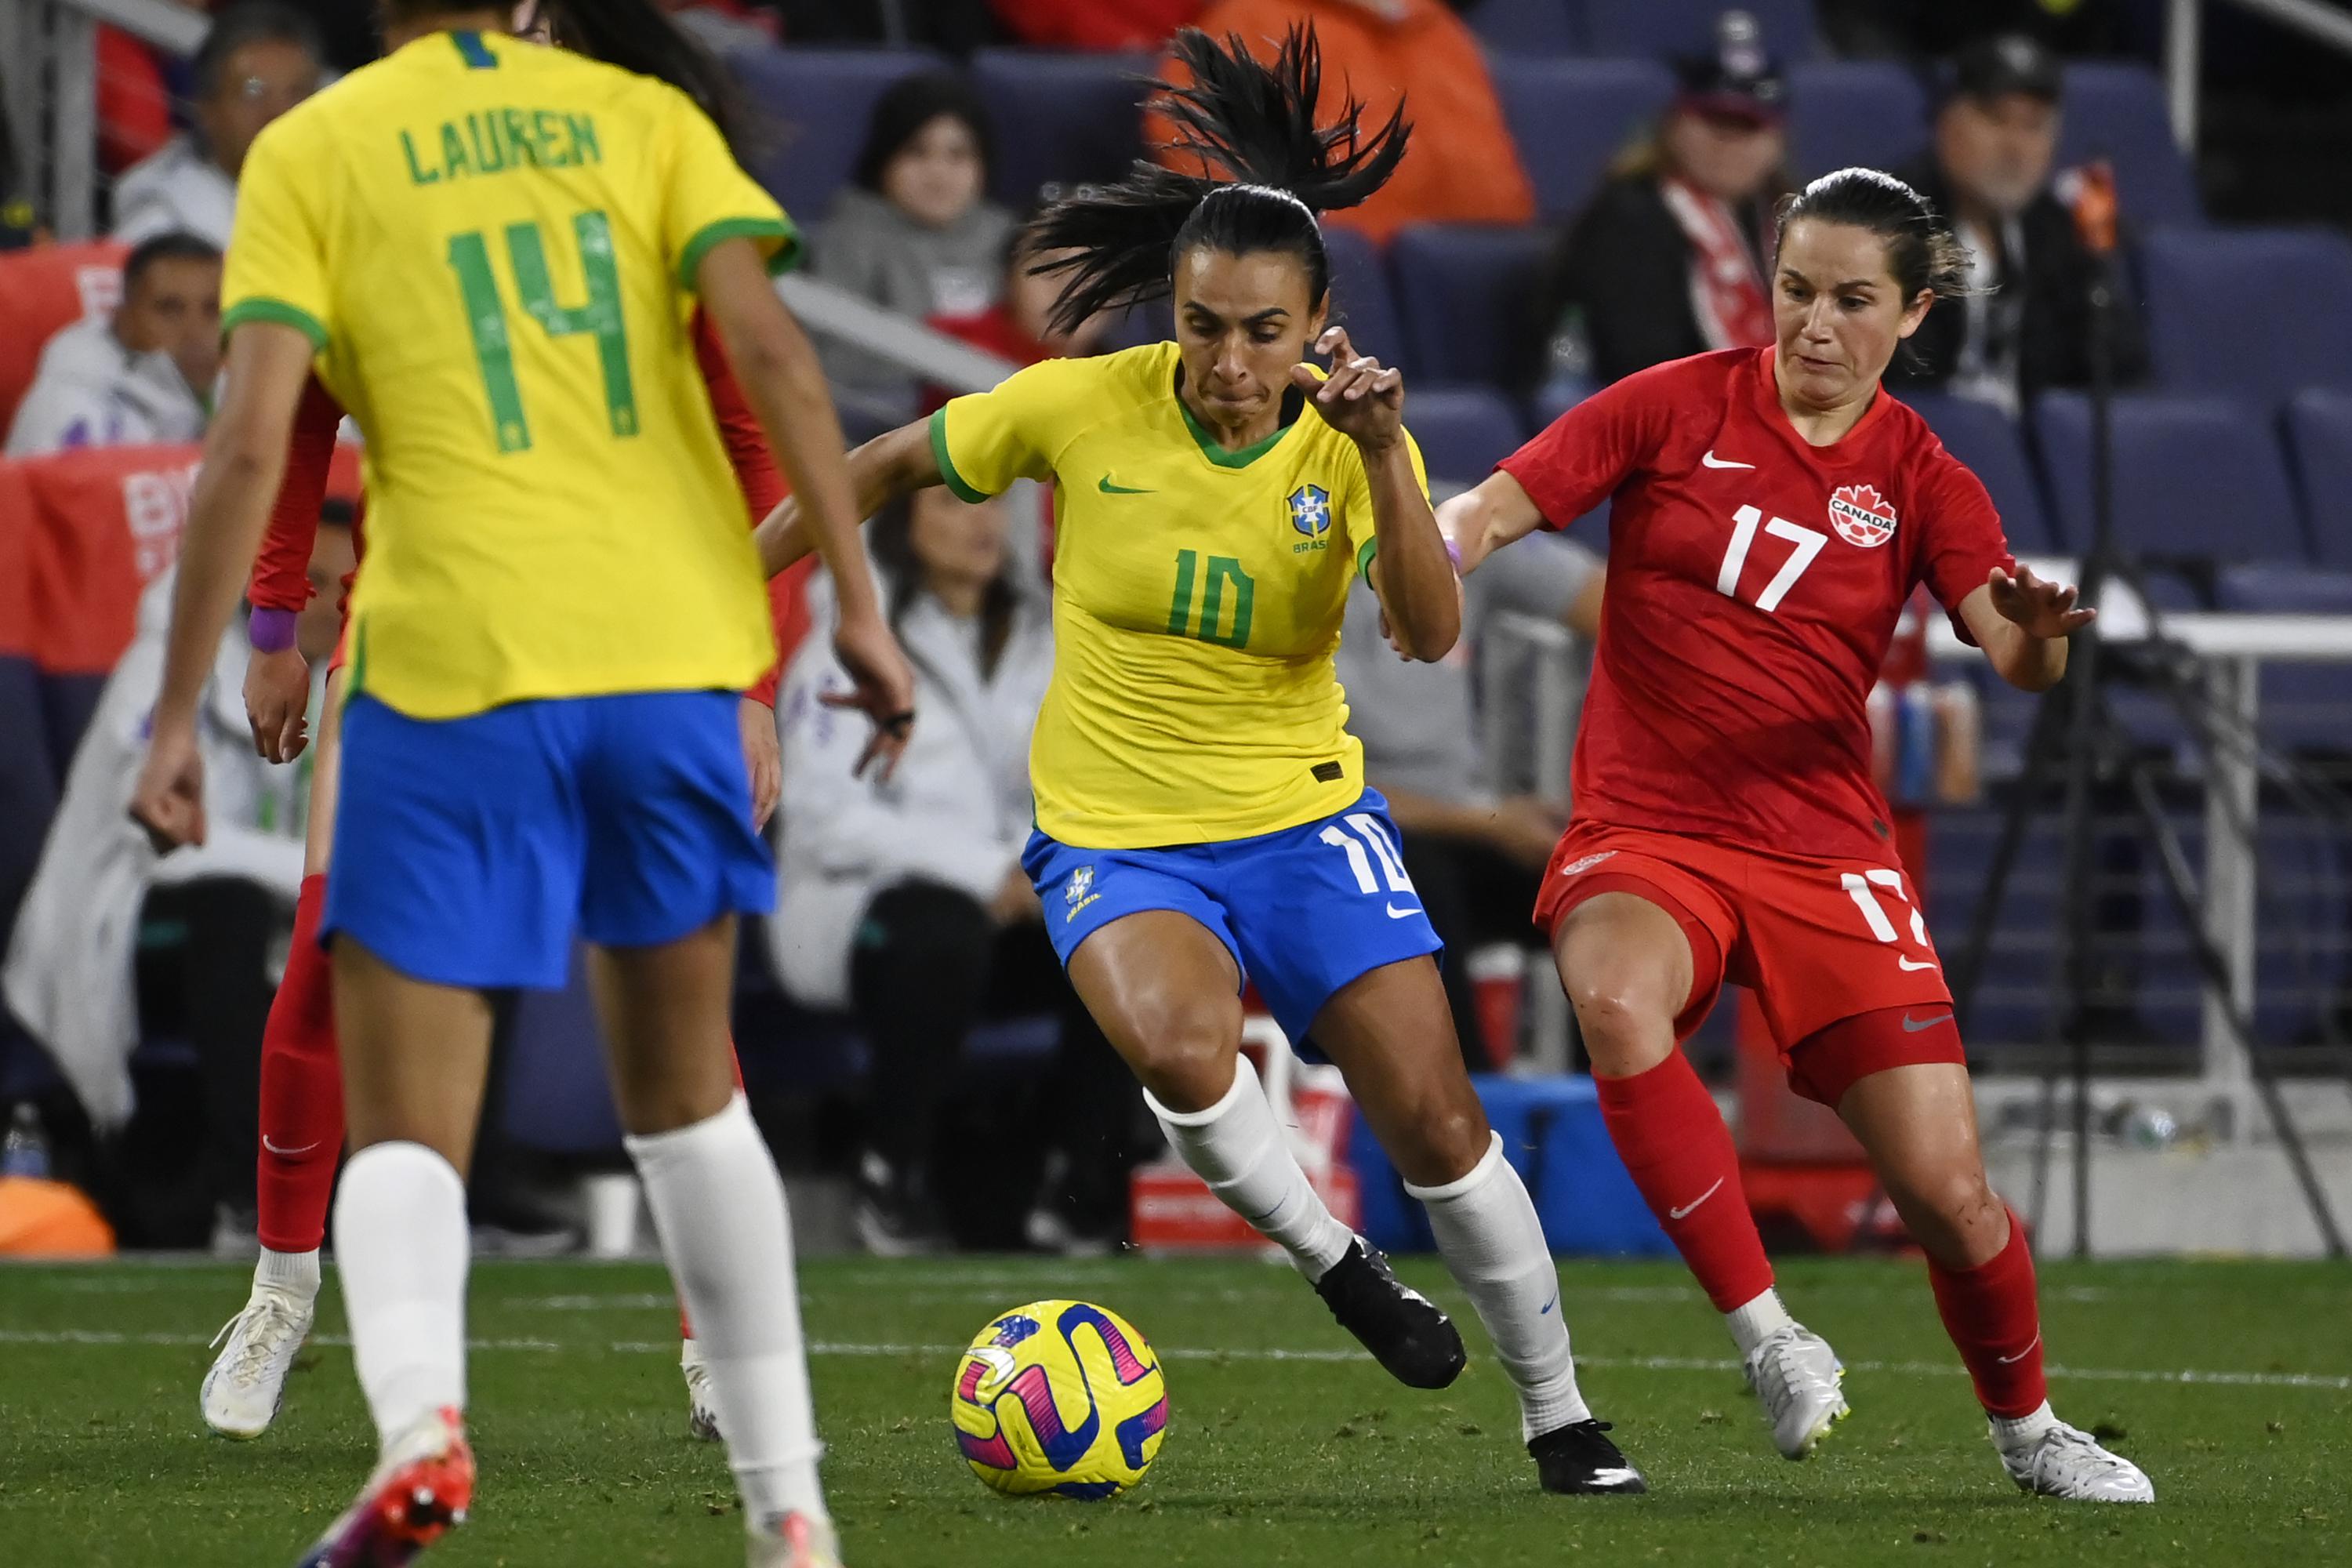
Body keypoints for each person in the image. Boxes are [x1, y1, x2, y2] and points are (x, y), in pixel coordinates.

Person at [757, 26, 1646, 1497]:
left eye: (1261, 333)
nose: (1227, 363)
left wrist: (1375, 459)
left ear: (1317, 326)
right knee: (1178, 1045)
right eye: (1201, 324)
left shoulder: (1351, 447)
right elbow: (889, 463)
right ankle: (1337, 1264)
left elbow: (1426, 633)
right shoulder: (1081, 404)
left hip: (1303, 822)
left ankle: (1559, 1413)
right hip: (1116, 832)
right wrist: (749, 595)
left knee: (1438, 1122)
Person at [126, 5, 916, 1566]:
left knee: (412, 1119)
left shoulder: (315, 148)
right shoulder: (645, 122)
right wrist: (857, 613)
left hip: (451, 662)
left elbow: (249, 442)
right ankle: (792, 1510)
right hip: (664, 654)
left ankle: (421, 1430)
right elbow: (777, 363)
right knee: (692, 1107)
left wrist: (182, 703)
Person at [1439, 166, 2156, 1504]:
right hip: (1651, 823)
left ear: (1914, 312)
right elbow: (1500, 504)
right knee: (1612, 995)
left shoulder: (1923, 476)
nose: (1816, 324)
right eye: (1796, 290)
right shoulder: (1668, 404)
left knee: (1951, 1199)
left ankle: (2031, 1430)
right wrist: (1445, 537)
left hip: (1826, 848)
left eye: (1853, 300)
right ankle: (1770, 1337)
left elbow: (2004, 644)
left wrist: (2040, 639)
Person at [775, 488, 1136, 1254]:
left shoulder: (1048, 640)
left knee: (1126, 933)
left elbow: (1081, 786)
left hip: (1013, 905)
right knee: (938, 928)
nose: (982, 522)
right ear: (904, 525)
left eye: (993, 505)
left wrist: (1036, 872)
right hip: (862, 916)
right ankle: (891, 1171)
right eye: (952, 504)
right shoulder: (847, 646)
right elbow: (822, 815)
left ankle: (1083, 1188)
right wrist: (984, 874)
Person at [0, 514, 345, 1237]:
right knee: (230, 909)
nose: (327, 604)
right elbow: (174, 839)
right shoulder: (166, 671)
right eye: (309, 584)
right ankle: (246, 1200)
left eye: (343, 588)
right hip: (123, 921)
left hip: (266, 911)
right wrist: (325, 875)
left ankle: (443, 1189)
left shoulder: (326, 684)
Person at [1338, 533, 1603, 1069]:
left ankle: (1615, 1099)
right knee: (1413, 879)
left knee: (1600, 886)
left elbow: (1622, 608)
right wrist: (1489, 822)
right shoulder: (1274, 551)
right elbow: (1320, 786)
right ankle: (1470, 1111)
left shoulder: (1449, 530)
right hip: (1338, 835)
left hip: (1467, 823)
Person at [1529, 10, 1789, 397]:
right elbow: (1643, 365)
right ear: (1675, 125)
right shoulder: (1630, 216)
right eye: (1713, 121)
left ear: (1777, 143)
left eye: (1748, 128)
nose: (1728, 143)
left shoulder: (1780, 219)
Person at [1891, 32, 2148, 415]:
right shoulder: (1888, 221)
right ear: (1944, 121)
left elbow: (2122, 369)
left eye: (2033, 126)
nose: (2015, 147)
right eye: (1996, 120)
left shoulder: (2056, 231)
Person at [1143, 1, 1533, 247]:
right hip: (1327, 298)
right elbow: (1220, 184)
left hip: (1469, 300)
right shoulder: (1247, 21)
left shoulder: (1445, 37)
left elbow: (1504, 200)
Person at [809, 71, 1018, 421]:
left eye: (958, 155)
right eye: (917, 153)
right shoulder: (846, 240)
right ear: (883, 161)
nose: (938, 173)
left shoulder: (1012, 237)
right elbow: (833, 361)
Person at [111, 3, 323, 250]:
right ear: (207, 110)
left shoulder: (344, 198)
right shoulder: (160, 228)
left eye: (296, 93)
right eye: (253, 92)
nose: (278, 113)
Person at [4, 232, 220, 456]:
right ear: (123, 318)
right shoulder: (71, 409)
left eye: (213, 310)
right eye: (169, 310)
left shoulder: (239, 388)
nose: (196, 333)